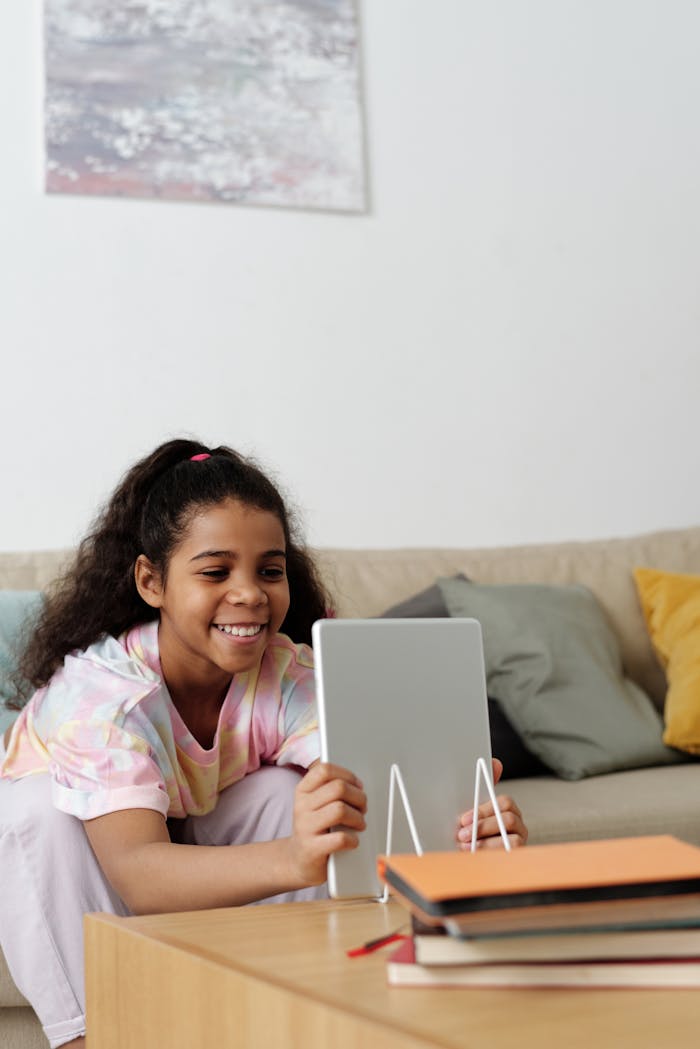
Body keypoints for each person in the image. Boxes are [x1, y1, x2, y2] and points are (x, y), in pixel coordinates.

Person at [0, 438, 527, 1049]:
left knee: (293, 793)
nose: (249, 593)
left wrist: (469, 834)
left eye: (268, 571)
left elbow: (377, 782)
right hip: (90, 859)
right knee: (33, 813)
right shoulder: (101, 697)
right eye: (215, 572)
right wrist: (292, 858)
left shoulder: (282, 673)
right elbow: (138, 873)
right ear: (152, 582)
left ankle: (301, 1016)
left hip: (188, 829)